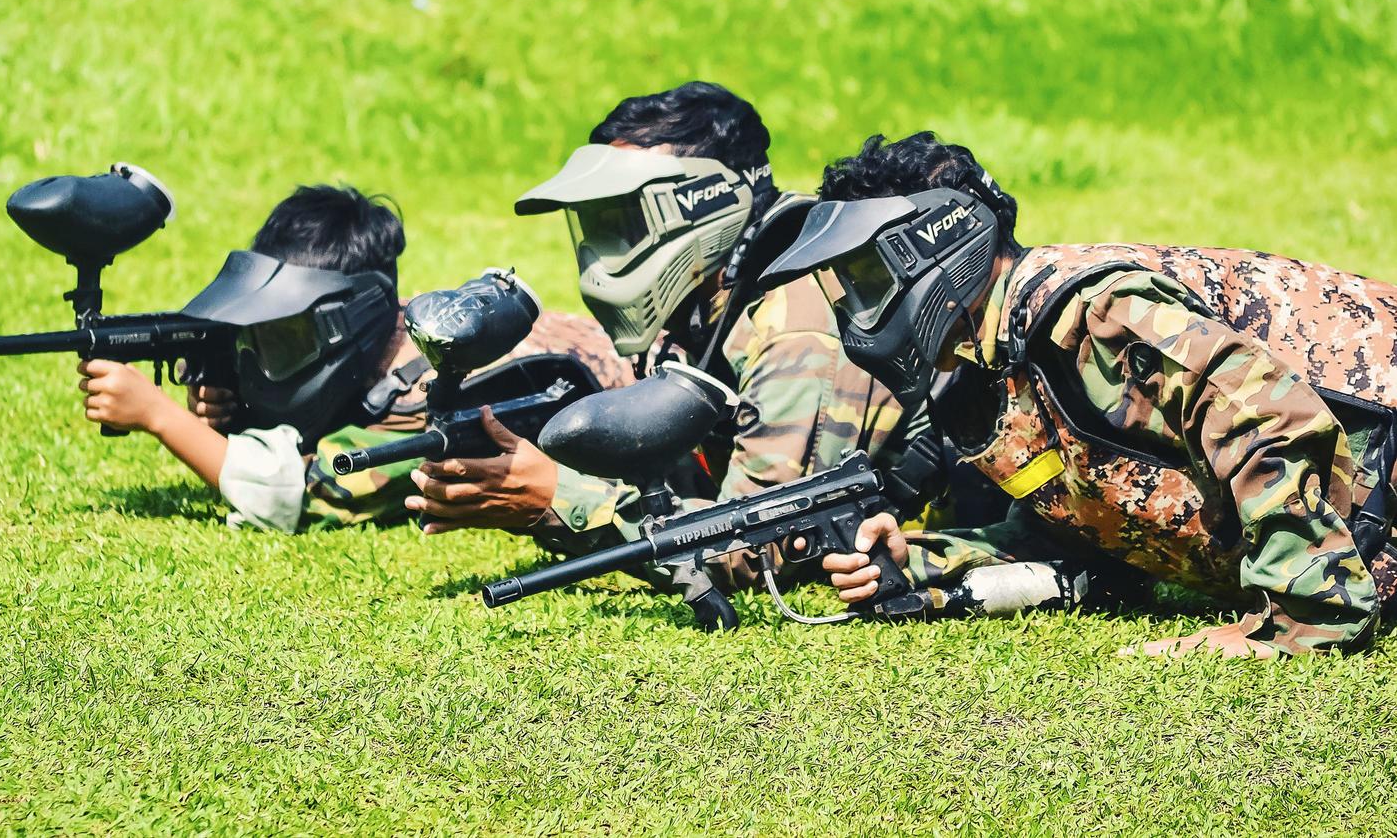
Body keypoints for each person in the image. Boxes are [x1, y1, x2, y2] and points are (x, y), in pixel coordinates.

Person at [408, 84, 1058, 615]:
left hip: (1002, 524)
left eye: (621, 223)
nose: (601, 255)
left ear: (701, 207)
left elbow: (759, 545)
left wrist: (557, 498)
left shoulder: (801, 312)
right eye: (596, 227)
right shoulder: (708, 302)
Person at [761, 131, 1397, 656]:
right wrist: (921, 565)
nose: (857, 309)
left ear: (933, 248)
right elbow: (1080, 536)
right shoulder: (987, 375)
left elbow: (1268, 416)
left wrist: (1304, 620)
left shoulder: (1097, 313)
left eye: (869, 278)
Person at [77, 184, 631, 532]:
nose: (265, 358)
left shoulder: (428, 398)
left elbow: (308, 492)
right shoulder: (401, 322)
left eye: (285, 338)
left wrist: (159, 416)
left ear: (348, 324)